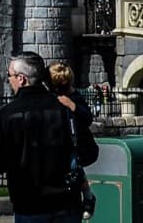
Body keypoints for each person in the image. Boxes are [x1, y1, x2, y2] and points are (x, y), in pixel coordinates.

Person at [0, 52, 95, 223]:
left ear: (21, 79)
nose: (8, 80)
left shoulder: (7, 114)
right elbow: (89, 152)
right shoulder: (64, 108)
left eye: (10, 75)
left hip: (29, 203)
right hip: (66, 202)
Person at [48, 61, 99, 217]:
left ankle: (88, 195)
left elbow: (87, 118)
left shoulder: (73, 96)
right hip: (58, 141)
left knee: (74, 165)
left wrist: (73, 106)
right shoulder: (50, 97)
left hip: (76, 142)